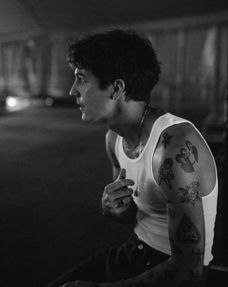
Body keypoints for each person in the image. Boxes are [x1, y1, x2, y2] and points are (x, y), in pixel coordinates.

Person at [47, 29, 218, 287]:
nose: (72, 91)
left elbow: (189, 271)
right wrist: (117, 209)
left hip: (174, 272)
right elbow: (129, 216)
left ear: (116, 88)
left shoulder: (174, 148)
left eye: (81, 79)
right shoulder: (113, 139)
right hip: (134, 251)